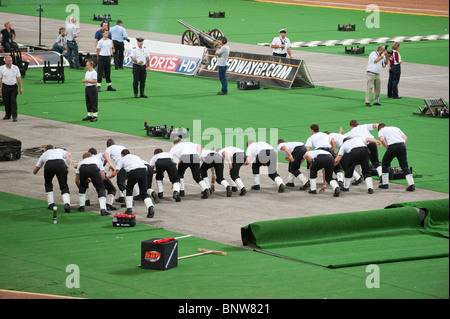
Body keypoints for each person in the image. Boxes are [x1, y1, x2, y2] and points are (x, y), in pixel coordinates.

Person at [107, 149, 156, 218]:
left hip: (134, 172)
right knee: (144, 193)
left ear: (122, 155)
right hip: (144, 171)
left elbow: (116, 172)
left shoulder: (122, 159)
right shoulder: (136, 156)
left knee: (129, 190)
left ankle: (129, 209)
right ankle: (151, 207)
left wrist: (108, 177)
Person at [32, 145, 72, 212]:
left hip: (49, 165)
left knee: (48, 184)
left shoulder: (44, 154)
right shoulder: (60, 150)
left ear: (45, 150)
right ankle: (67, 204)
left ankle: (51, 204)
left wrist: (34, 172)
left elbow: (35, 170)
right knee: (64, 185)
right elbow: (69, 155)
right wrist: (67, 167)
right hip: (61, 164)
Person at [377, 123, 415, 191]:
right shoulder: (395, 128)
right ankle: (411, 184)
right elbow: (405, 137)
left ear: (379, 128)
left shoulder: (381, 131)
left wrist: (387, 147)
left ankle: (385, 183)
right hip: (402, 146)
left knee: (385, 163)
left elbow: (382, 139)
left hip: (392, 146)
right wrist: (402, 146)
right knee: (404, 165)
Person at [0, 55, 23, 122]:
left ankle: (14, 116)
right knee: (6, 101)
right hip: (5, 86)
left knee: (13, 101)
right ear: (5, 61)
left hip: (13, 87)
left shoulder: (15, 68)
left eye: (11, 61)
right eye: (8, 61)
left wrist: (21, 87)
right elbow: (0, 78)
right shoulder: (1, 68)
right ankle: (7, 115)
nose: (10, 62)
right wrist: (0, 88)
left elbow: (18, 78)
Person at [105, 139, 127, 203]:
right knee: (123, 180)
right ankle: (122, 197)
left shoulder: (109, 148)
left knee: (120, 182)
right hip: (128, 164)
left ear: (107, 145)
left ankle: (128, 199)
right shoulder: (122, 147)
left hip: (121, 165)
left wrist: (109, 164)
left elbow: (106, 157)